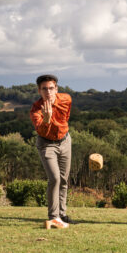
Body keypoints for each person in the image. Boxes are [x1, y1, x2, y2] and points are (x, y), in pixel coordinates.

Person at [30, 74, 73, 228]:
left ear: (56, 89)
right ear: (39, 91)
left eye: (51, 88)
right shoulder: (36, 109)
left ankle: (63, 214)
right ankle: (53, 217)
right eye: (44, 89)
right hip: (47, 144)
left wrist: (60, 129)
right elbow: (41, 131)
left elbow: (65, 118)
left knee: (63, 179)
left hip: (65, 141)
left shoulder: (66, 99)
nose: (48, 92)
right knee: (54, 178)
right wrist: (47, 120)